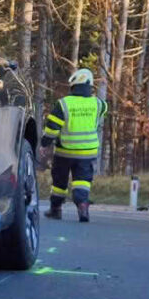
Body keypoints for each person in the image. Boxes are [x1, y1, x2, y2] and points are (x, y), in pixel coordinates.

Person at [41, 68, 107, 223]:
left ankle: (56, 209)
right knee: (82, 180)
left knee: (59, 182)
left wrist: (45, 144)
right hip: (87, 152)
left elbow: (52, 127)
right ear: (89, 85)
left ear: (73, 86)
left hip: (65, 152)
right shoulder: (98, 104)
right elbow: (105, 108)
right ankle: (83, 206)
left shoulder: (63, 104)